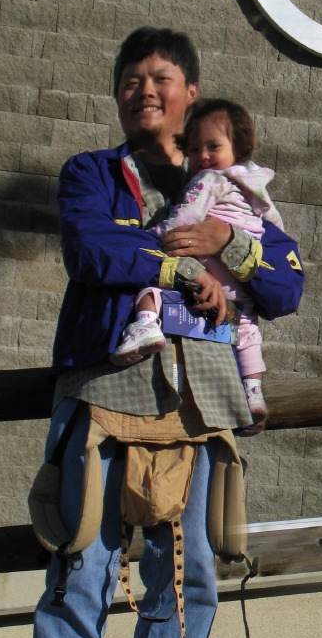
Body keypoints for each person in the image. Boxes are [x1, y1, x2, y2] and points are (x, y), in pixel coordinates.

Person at [27, 28, 277, 638]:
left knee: (189, 573)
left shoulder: (235, 184)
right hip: (105, 387)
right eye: (131, 79)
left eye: (161, 77)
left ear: (190, 93)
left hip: (199, 397)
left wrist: (229, 246)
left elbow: (285, 282)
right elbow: (92, 252)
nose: (145, 89)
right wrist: (176, 261)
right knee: (80, 565)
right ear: (117, 94)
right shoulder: (90, 174)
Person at [111, 98, 284, 437]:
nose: (202, 156)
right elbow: (277, 229)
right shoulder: (257, 186)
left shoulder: (209, 180)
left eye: (212, 146)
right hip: (239, 272)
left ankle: (145, 325)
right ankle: (252, 391)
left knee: (156, 284)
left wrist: (155, 237)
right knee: (246, 328)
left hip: (206, 260)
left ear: (239, 147)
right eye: (193, 149)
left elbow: (187, 217)